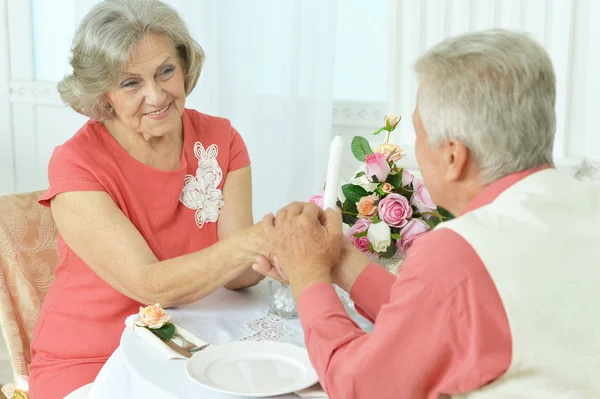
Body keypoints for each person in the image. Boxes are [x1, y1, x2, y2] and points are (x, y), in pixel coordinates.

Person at [255, 29, 600, 398]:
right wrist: (335, 258)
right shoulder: (583, 204)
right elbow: (445, 313)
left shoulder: (461, 251)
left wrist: (308, 277)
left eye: (418, 132)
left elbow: (362, 386)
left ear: (454, 157)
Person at [29, 1, 269, 397]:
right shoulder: (76, 162)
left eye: (166, 71)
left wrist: (275, 244)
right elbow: (148, 285)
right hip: (93, 357)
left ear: (185, 66)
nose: (157, 95)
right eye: (130, 83)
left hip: (191, 342)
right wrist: (251, 244)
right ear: (103, 95)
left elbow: (240, 274)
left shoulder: (221, 139)